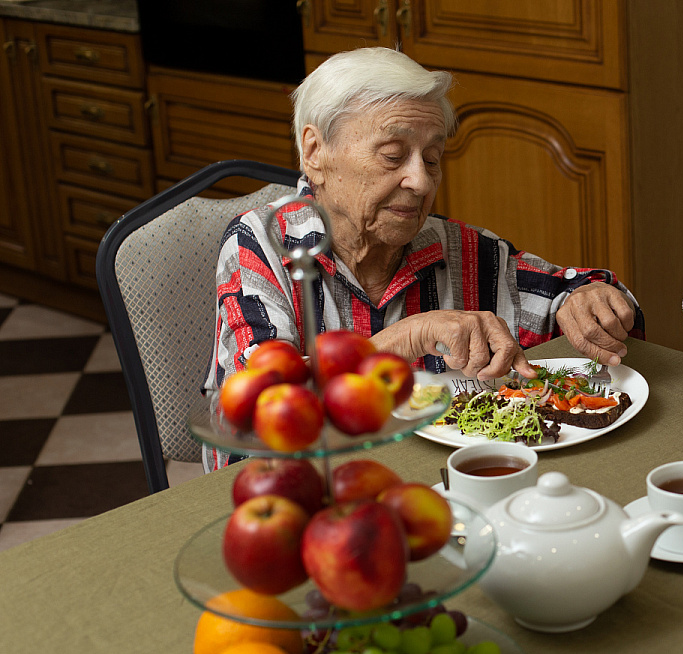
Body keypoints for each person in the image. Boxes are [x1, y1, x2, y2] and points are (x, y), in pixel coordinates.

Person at [203, 48, 642, 469]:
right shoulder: (263, 245)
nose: (419, 181)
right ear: (315, 151)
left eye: (431, 159)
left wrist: (591, 301)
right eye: (393, 156)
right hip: (302, 503)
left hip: (437, 494)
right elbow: (264, 411)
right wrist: (404, 338)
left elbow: (573, 294)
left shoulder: (461, 250)